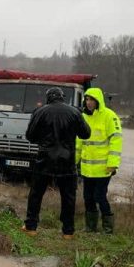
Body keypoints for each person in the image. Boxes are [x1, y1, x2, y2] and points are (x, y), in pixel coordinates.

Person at [23, 87, 91, 239]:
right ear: (62, 97)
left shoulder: (40, 112)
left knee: (36, 194)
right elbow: (86, 133)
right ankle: (68, 231)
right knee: (68, 197)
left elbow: (30, 136)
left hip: (44, 160)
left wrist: (43, 139)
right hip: (67, 161)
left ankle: (31, 227)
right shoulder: (74, 112)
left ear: (48, 98)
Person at [76, 88, 122, 234]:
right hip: (87, 168)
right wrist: (73, 162)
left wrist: (112, 164)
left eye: (91, 100)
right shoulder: (83, 117)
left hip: (103, 169)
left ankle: (108, 229)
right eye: (87, 100)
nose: (89, 103)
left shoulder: (109, 116)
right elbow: (78, 143)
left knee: (99, 196)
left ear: (98, 101)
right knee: (88, 197)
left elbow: (116, 140)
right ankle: (90, 228)